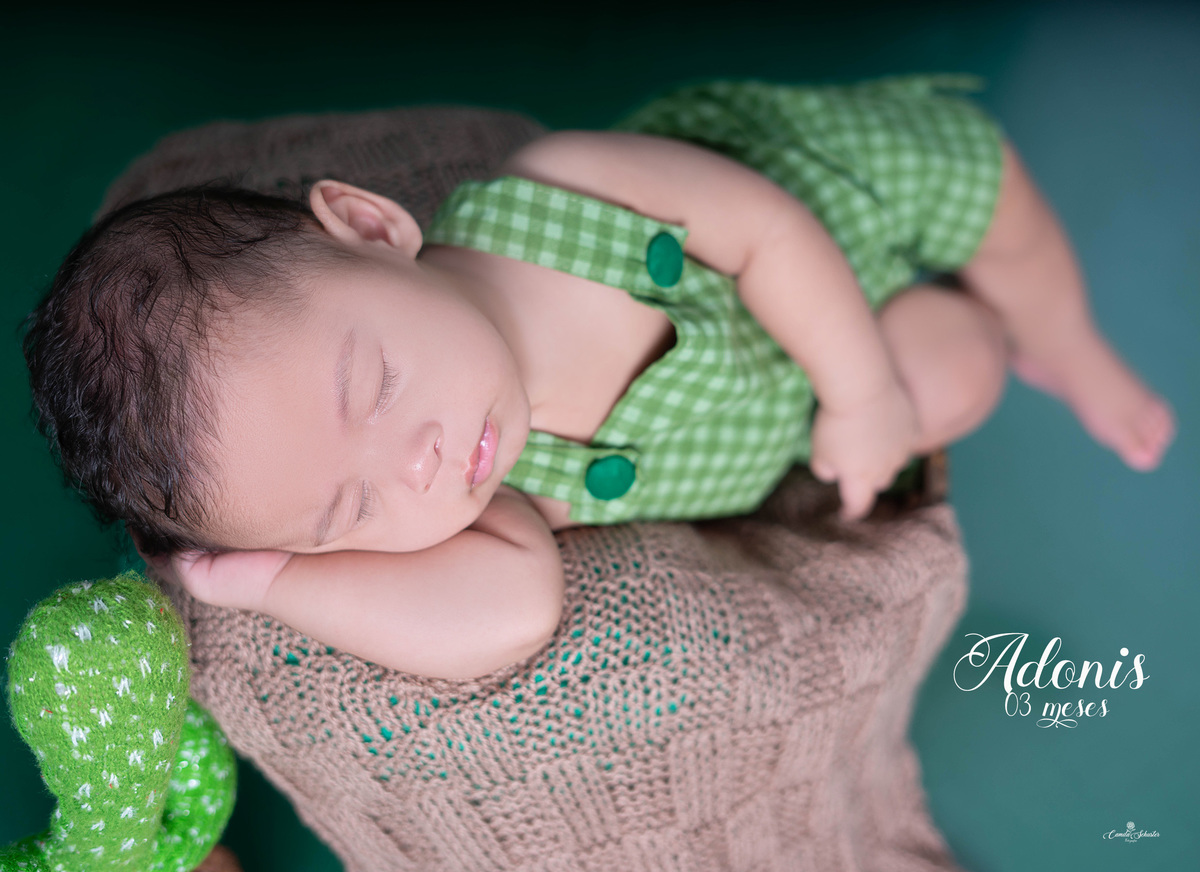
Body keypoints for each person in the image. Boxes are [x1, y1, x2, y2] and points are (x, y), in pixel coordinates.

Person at [23, 76, 1174, 680]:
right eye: (351, 508)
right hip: (804, 411)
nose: (418, 463)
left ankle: (1072, 341)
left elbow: (772, 231)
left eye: (373, 386)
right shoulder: (494, 494)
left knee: (985, 191)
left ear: (372, 228)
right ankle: (986, 333)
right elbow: (510, 611)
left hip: (824, 228)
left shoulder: (566, 194)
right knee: (961, 371)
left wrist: (860, 388)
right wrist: (273, 581)